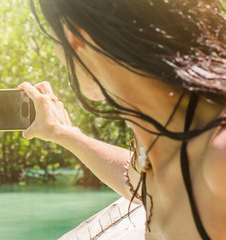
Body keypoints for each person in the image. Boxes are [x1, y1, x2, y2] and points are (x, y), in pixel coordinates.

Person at [18, 0, 226, 239]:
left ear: (75, 38)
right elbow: (135, 182)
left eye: (53, 38)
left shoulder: (220, 157)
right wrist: (63, 133)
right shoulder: (157, 143)